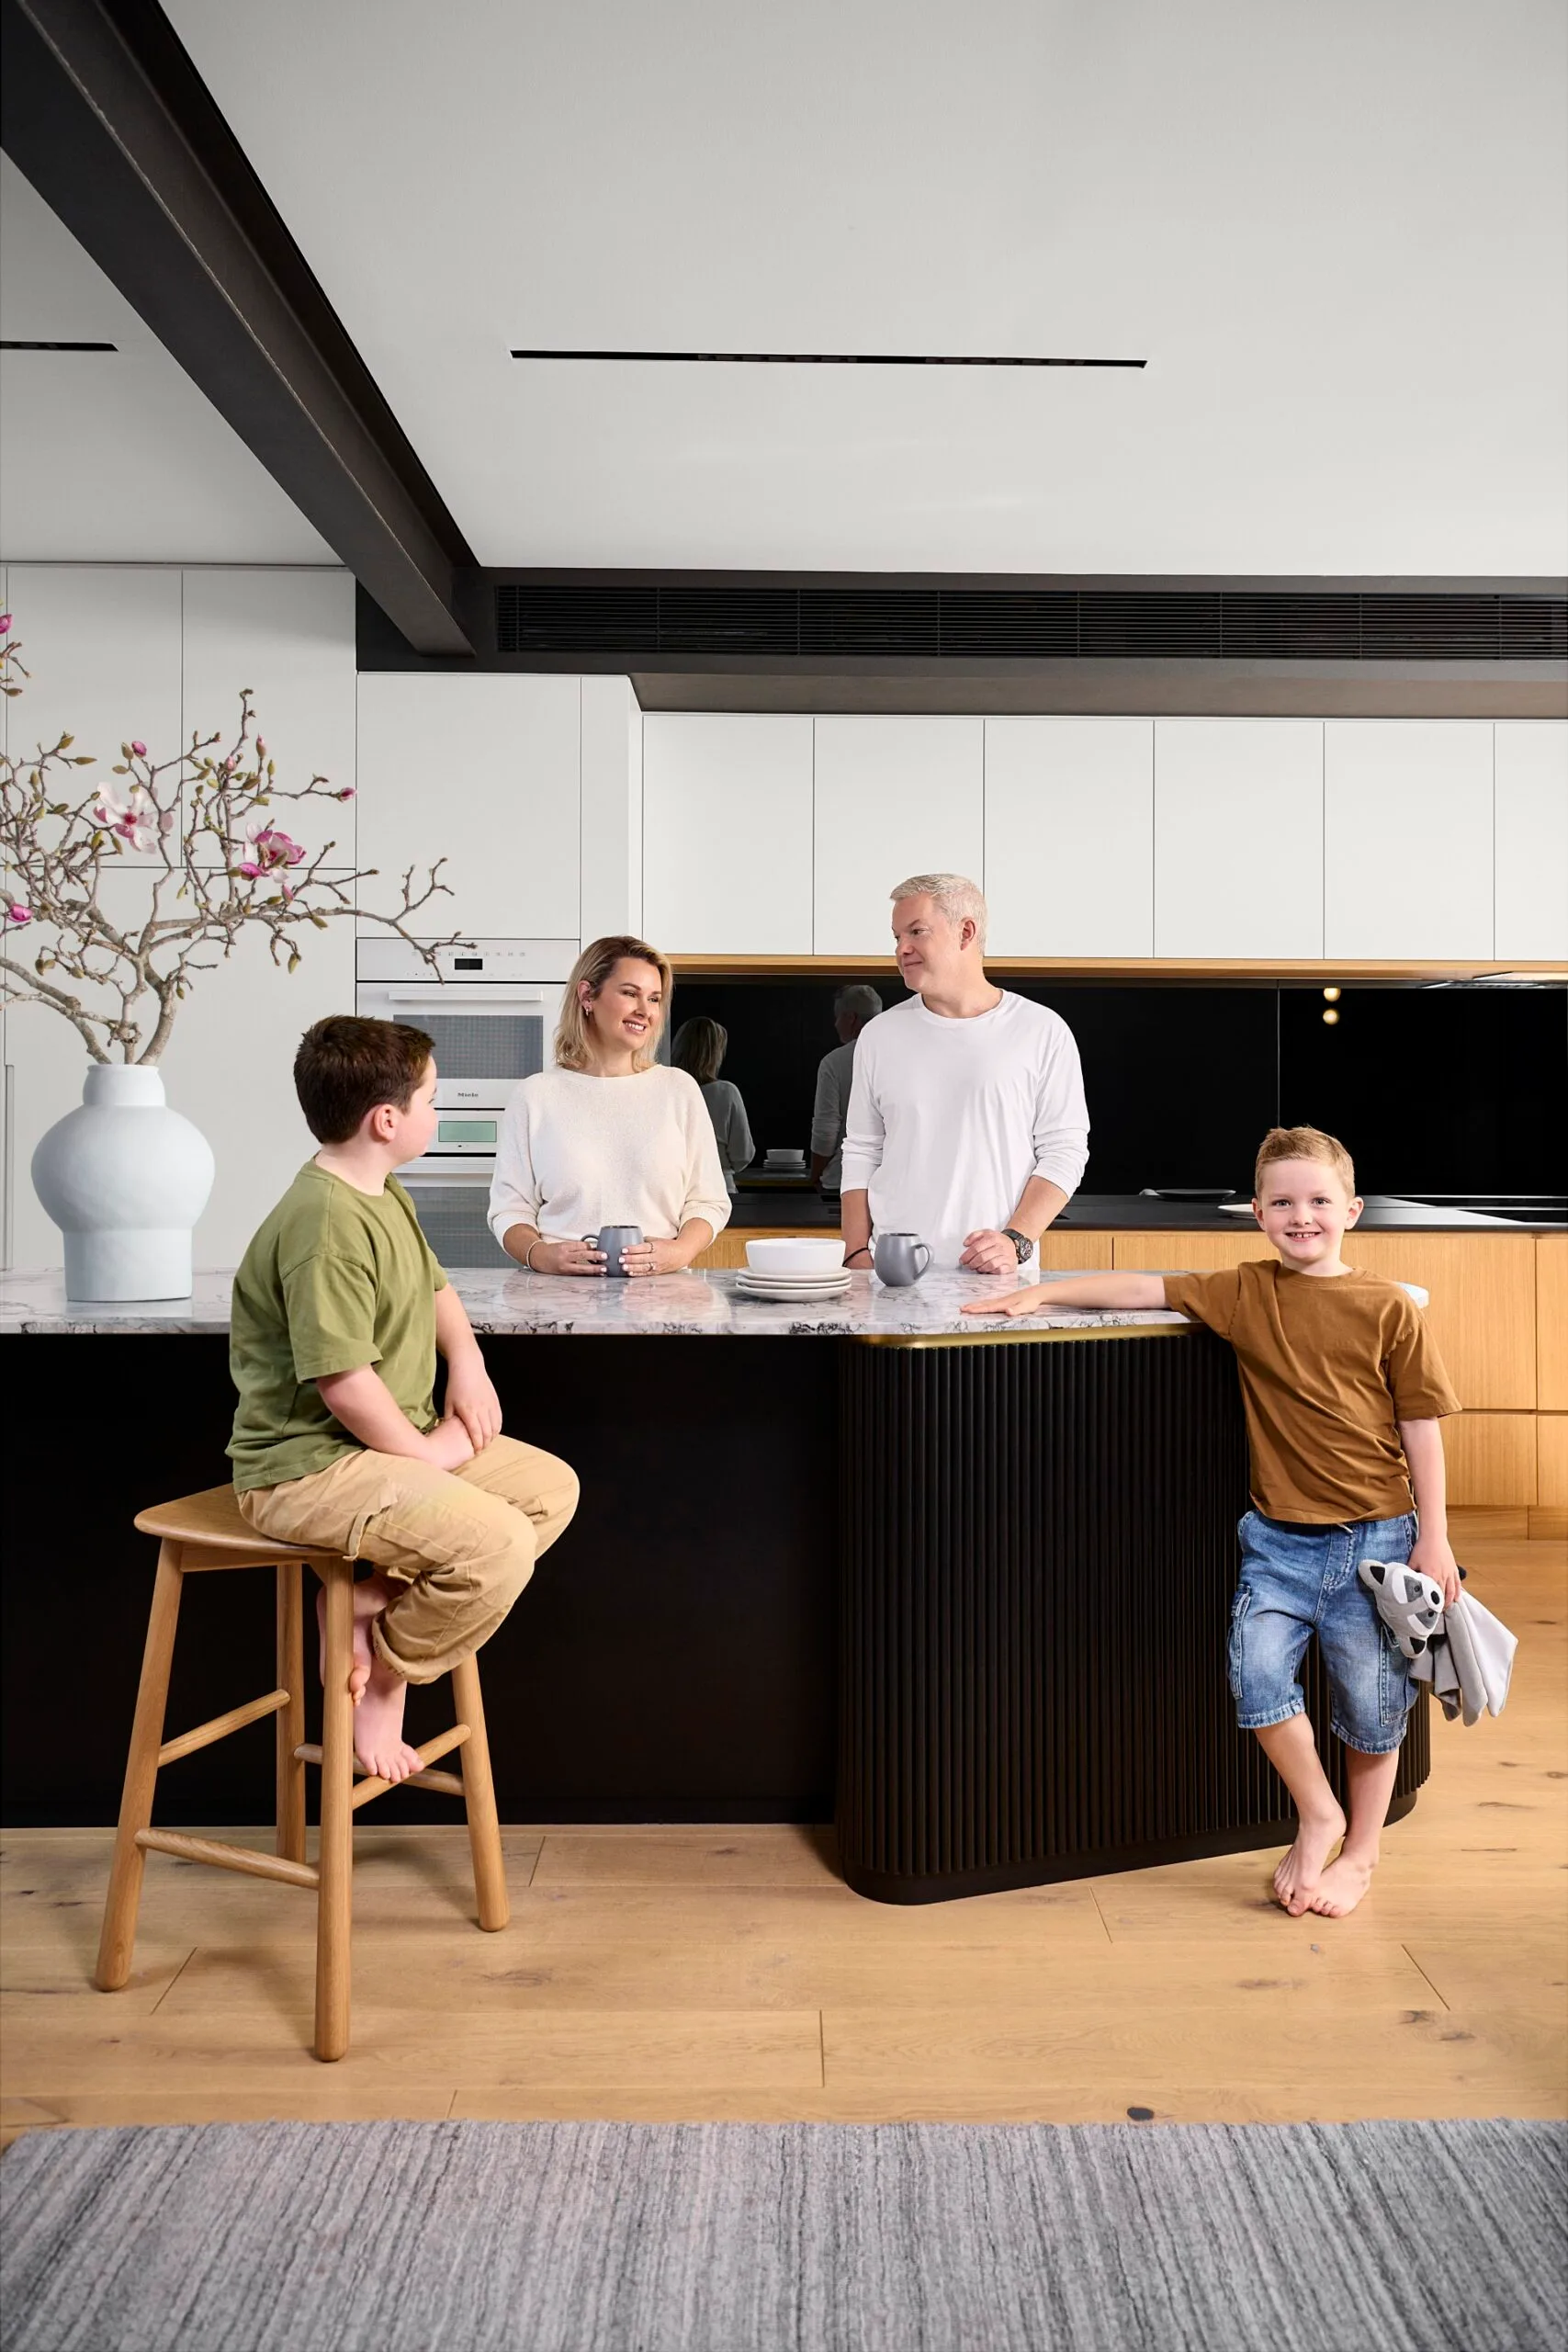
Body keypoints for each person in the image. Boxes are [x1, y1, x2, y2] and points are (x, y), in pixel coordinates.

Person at [963, 1124, 1462, 1921]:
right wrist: (1040, 1291)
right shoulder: (1244, 1291)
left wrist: (1433, 1537)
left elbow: (1422, 1426)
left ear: (1352, 1210)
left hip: (1378, 1541)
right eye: (1283, 1203)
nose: (1302, 1217)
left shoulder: (1388, 1308)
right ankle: (1319, 1815)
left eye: (1319, 1202)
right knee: (1256, 1680)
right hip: (1277, 1545)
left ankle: (1360, 1855)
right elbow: (1144, 1290)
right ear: (1257, 1213)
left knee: (1372, 1711)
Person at [229, 1016, 580, 1784]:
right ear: (386, 1121)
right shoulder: (323, 1224)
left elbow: (436, 1288)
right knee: (496, 1546)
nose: (439, 1113)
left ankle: (363, 1606)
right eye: (431, 1098)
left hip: (386, 1449)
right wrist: (428, 1457)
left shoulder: (381, 1194)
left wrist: (470, 1365)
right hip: (307, 1467)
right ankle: (387, 1674)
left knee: (551, 1491)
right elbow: (343, 1383)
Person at [840, 873, 1089, 1273]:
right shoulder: (879, 1036)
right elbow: (862, 1151)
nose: (902, 949)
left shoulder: (1041, 1031)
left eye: (916, 932)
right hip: (894, 1275)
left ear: (966, 932)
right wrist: (854, 1253)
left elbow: (1065, 1151)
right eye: (896, 937)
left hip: (998, 1279)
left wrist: (1016, 1241)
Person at [489, 934, 729, 1275]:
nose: (645, 1011)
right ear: (587, 995)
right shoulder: (535, 1096)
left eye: (655, 998)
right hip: (557, 1296)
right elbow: (509, 1211)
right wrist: (540, 1255)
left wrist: (677, 1253)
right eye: (630, 993)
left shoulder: (679, 1090)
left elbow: (708, 1202)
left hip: (661, 1297)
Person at [809, 984, 883, 1193]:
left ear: (851, 1018)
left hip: (842, 1183)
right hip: (892, 1184)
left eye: (838, 1017)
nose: (835, 1023)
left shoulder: (834, 1062)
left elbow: (826, 1130)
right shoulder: (903, 1056)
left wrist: (816, 1175)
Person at [672, 1015, 754, 1193]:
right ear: (714, 1054)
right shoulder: (726, 1092)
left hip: (674, 1191)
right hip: (719, 1188)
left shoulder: (664, 1090)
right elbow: (743, 1155)